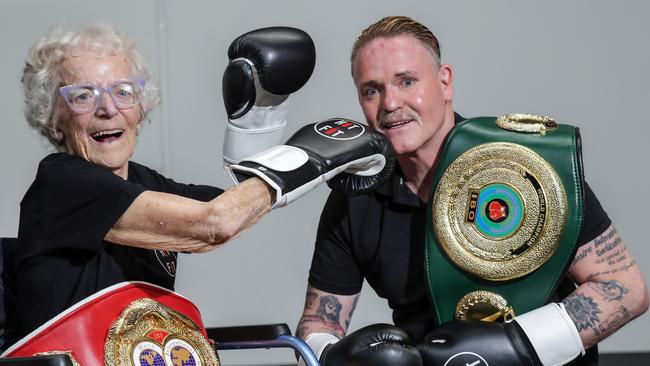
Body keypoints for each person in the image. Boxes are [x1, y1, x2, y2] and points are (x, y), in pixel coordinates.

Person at [4, 22, 393, 350]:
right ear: (54, 117)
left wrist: (257, 123)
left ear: (141, 108)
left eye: (123, 91)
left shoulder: (142, 183)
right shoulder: (63, 181)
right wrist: (311, 159)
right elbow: (215, 223)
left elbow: (235, 205)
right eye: (83, 96)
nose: (108, 108)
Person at [296, 16, 649, 366]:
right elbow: (318, 323)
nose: (389, 104)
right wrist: (333, 357)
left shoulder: (526, 165)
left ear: (445, 82)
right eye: (372, 89)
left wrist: (519, 346)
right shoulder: (356, 197)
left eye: (406, 81)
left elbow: (626, 289)